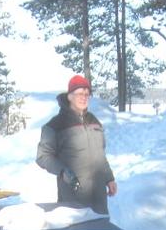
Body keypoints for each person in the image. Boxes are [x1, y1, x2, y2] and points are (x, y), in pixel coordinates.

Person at [37, 74, 117, 215]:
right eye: (79, 93)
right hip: (72, 196)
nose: (84, 97)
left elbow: (100, 155)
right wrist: (63, 171)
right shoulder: (55, 125)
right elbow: (43, 157)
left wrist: (109, 178)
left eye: (87, 94)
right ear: (69, 96)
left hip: (99, 197)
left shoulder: (94, 121)